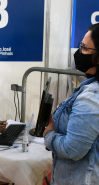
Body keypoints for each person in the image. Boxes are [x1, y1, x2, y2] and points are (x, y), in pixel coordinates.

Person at [43, 23, 99, 185]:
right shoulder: (90, 88)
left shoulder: (92, 96)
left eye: (85, 48)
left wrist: (49, 135)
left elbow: (72, 149)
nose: (79, 52)